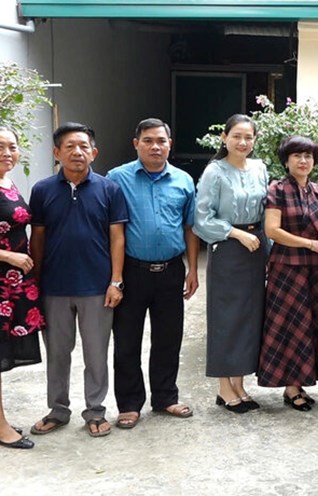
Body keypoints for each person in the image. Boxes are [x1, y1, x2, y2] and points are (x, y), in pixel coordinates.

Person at [29, 122, 128, 438]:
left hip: (97, 288)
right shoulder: (42, 190)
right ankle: (58, 410)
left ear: (94, 152)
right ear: (57, 153)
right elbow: (38, 238)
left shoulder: (109, 189)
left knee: (96, 355)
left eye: (84, 146)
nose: (77, 152)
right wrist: (35, 281)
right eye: (70, 146)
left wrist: (116, 281)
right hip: (54, 287)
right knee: (57, 354)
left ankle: (95, 412)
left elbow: (117, 237)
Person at [106, 118, 200, 429]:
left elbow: (189, 227)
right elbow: (112, 230)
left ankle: (165, 398)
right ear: (136, 144)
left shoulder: (184, 181)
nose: (155, 146)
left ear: (170, 144)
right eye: (148, 140)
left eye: (161, 140)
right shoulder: (116, 179)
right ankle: (130, 403)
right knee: (127, 340)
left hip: (171, 271)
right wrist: (115, 278)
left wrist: (193, 269)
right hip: (133, 272)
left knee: (168, 338)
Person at [194, 114, 268, 414]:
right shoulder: (215, 172)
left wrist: (267, 251)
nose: (242, 142)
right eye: (236, 136)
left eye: (248, 137)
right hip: (228, 249)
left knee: (249, 319)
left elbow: (266, 212)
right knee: (226, 318)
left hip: (257, 248)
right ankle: (224, 387)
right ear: (224, 138)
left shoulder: (260, 169)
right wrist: (235, 233)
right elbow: (201, 218)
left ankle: (238, 383)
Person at [257, 135, 318, 411]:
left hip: (315, 272)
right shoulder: (277, 189)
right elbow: (272, 231)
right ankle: (291, 388)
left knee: (310, 326)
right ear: (286, 160)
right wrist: (310, 244)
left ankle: (300, 382)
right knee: (290, 326)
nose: (303, 161)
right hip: (287, 269)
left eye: (308, 156)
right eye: (297, 156)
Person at [0, 128, 45, 449]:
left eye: (12, 146)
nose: (7, 152)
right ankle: (1, 427)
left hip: (13, 286)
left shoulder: (8, 182)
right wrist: (9, 256)